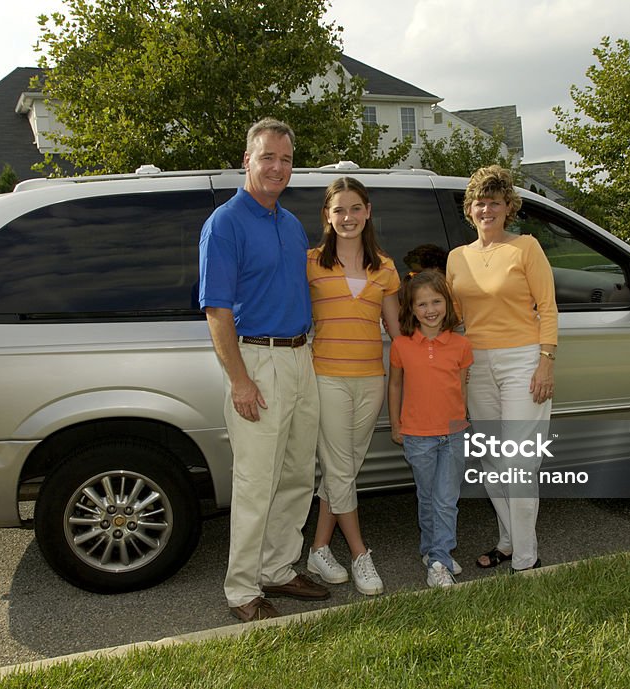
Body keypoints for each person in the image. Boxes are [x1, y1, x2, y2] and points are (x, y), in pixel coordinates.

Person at [198, 118, 329, 622]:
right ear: (247, 161)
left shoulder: (290, 224)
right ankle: (242, 591)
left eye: (286, 159)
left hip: (300, 357)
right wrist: (239, 380)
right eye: (267, 157)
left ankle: (278, 567)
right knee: (256, 481)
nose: (277, 167)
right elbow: (217, 311)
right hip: (257, 360)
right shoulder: (225, 223)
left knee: (297, 473)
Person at [445, 164, 557, 574]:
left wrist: (546, 362)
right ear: (469, 210)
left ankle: (527, 559)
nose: (486, 209)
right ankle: (509, 543)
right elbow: (455, 317)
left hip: (524, 361)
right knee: (491, 458)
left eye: (494, 202)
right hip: (478, 363)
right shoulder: (458, 258)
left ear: (508, 207)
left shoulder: (525, 247)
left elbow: (547, 308)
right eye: (479, 202)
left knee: (519, 460)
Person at [305, 177, 401, 596]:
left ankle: (320, 548)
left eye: (355, 208)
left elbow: (396, 331)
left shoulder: (385, 267)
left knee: (345, 468)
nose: (348, 217)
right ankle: (361, 553)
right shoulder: (309, 262)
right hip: (326, 376)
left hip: (371, 379)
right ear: (327, 216)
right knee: (342, 468)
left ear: (368, 211)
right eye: (339, 210)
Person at [387, 270, 473, 588]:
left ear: (448, 305)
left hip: (452, 434)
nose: (430, 309)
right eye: (422, 304)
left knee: (446, 499)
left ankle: (439, 560)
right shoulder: (401, 345)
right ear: (411, 309)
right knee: (427, 496)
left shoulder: (461, 345)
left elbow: (461, 390)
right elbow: (395, 386)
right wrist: (397, 425)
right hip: (417, 436)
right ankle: (430, 550)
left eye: (436, 301)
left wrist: (462, 423)